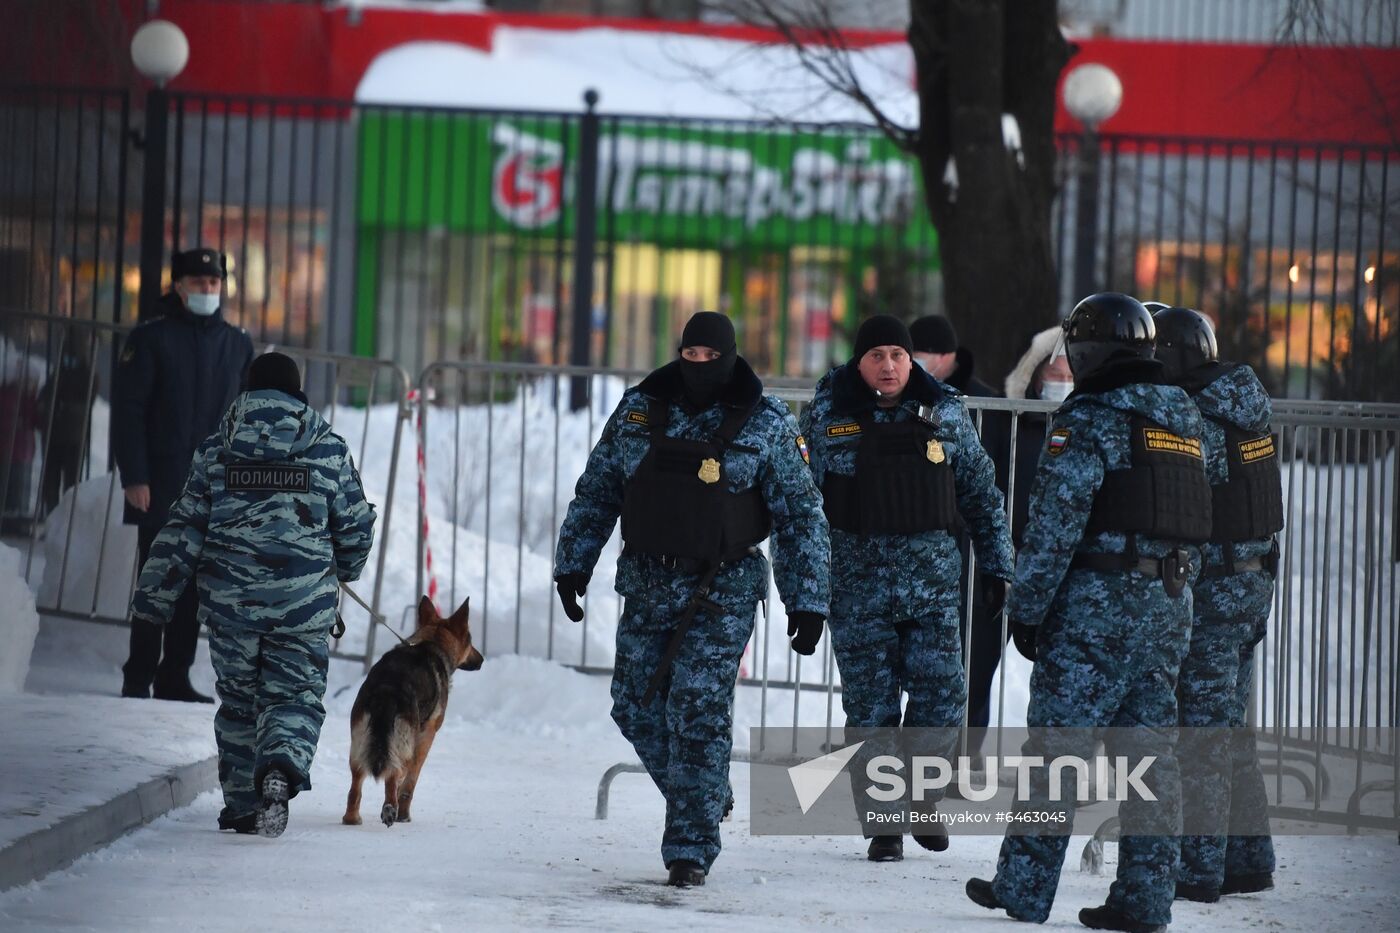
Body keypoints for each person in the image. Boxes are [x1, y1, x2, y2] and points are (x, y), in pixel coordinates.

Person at [553, 311, 829, 888]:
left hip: (721, 587)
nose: (699, 366)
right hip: (649, 580)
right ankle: (705, 794)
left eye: (711, 357)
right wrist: (573, 563)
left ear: (730, 358)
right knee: (632, 703)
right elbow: (600, 488)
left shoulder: (767, 420)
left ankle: (690, 846)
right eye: (690, 355)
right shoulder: (638, 409)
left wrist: (807, 600)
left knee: (697, 709)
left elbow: (800, 517)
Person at [966, 293, 1212, 933]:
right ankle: (1145, 899)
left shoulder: (1091, 418)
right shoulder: (1184, 416)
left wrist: (1026, 609)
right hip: (1168, 608)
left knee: (1057, 755)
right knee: (1151, 763)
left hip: (1095, 617)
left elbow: (1053, 527)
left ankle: (1022, 889)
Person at [130, 352, 376, 837]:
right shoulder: (327, 449)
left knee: (240, 701)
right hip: (302, 607)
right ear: (297, 392)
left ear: (248, 390)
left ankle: (243, 806)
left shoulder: (216, 450)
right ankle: (280, 769)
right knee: (295, 696)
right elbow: (355, 525)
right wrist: (345, 568)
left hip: (230, 607)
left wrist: (153, 599)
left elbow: (184, 527)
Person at [800, 314, 1013, 862]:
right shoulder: (828, 413)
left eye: (898, 354)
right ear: (859, 361)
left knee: (943, 699)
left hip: (932, 589)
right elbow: (800, 509)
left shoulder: (944, 411)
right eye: (877, 355)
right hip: (857, 589)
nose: (889, 366)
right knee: (871, 711)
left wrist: (998, 568)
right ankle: (884, 825)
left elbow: (982, 496)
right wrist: (807, 593)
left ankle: (921, 799)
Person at [1152, 306, 1279, 904]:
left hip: (1214, 587)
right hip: (1252, 583)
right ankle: (1248, 857)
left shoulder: (1196, 419)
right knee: (1230, 726)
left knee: (1199, 733)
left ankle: (1198, 868)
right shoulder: (1244, 404)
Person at [113, 248, 254, 702]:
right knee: (156, 583)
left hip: (212, 489)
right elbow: (130, 412)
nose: (208, 291)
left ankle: (175, 675)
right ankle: (138, 676)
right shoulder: (152, 339)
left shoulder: (236, 343)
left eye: (214, 284)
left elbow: (247, 414)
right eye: (198, 283)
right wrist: (135, 476)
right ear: (178, 286)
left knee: (194, 588)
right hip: (160, 482)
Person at [962, 327, 1076, 732]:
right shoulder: (1004, 422)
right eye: (1054, 374)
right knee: (973, 664)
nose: (1060, 383)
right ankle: (958, 754)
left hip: (1065, 574)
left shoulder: (1087, 430)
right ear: (1036, 376)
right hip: (1003, 567)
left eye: (1069, 375)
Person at [39, 325, 98, 515]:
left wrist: (62, 407)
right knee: (53, 483)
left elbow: (87, 400)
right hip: (57, 434)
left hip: (72, 436)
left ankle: (64, 524)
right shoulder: (61, 371)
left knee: (70, 486)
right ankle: (54, 521)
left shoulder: (86, 373)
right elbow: (46, 395)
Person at [909, 314, 999, 397]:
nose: (911, 364)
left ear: (943, 356)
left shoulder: (984, 401)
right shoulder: (906, 391)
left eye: (916, 358)